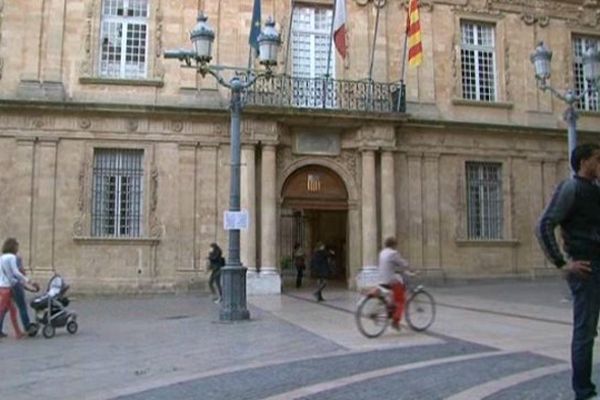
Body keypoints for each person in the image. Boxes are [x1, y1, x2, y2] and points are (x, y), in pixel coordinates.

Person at [535, 143, 600, 400]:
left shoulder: (595, 190)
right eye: (598, 158)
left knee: (587, 330)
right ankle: (583, 391)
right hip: (586, 269)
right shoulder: (570, 188)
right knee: (585, 331)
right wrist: (562, 264)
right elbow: (544, 225)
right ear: (584, 162)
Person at [0, 238, 34, 339]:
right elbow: (15, 272)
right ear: (13, 247)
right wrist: (27, 280)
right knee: (20, 307)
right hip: (10, 286)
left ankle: (17, 332)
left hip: (2, 286)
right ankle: (27, 327)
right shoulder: (12, 257)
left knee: (7, 309)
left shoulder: (1, 257)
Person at [378, 236, 411, 331]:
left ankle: (390, 307)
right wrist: (410, 268)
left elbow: (389, 265)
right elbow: (403, 264)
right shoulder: (393, 253)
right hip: (390, 280)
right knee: (401, 300)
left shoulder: (382, 252)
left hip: (381, 279)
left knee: (394, 295)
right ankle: (395, 321)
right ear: (394, 245)